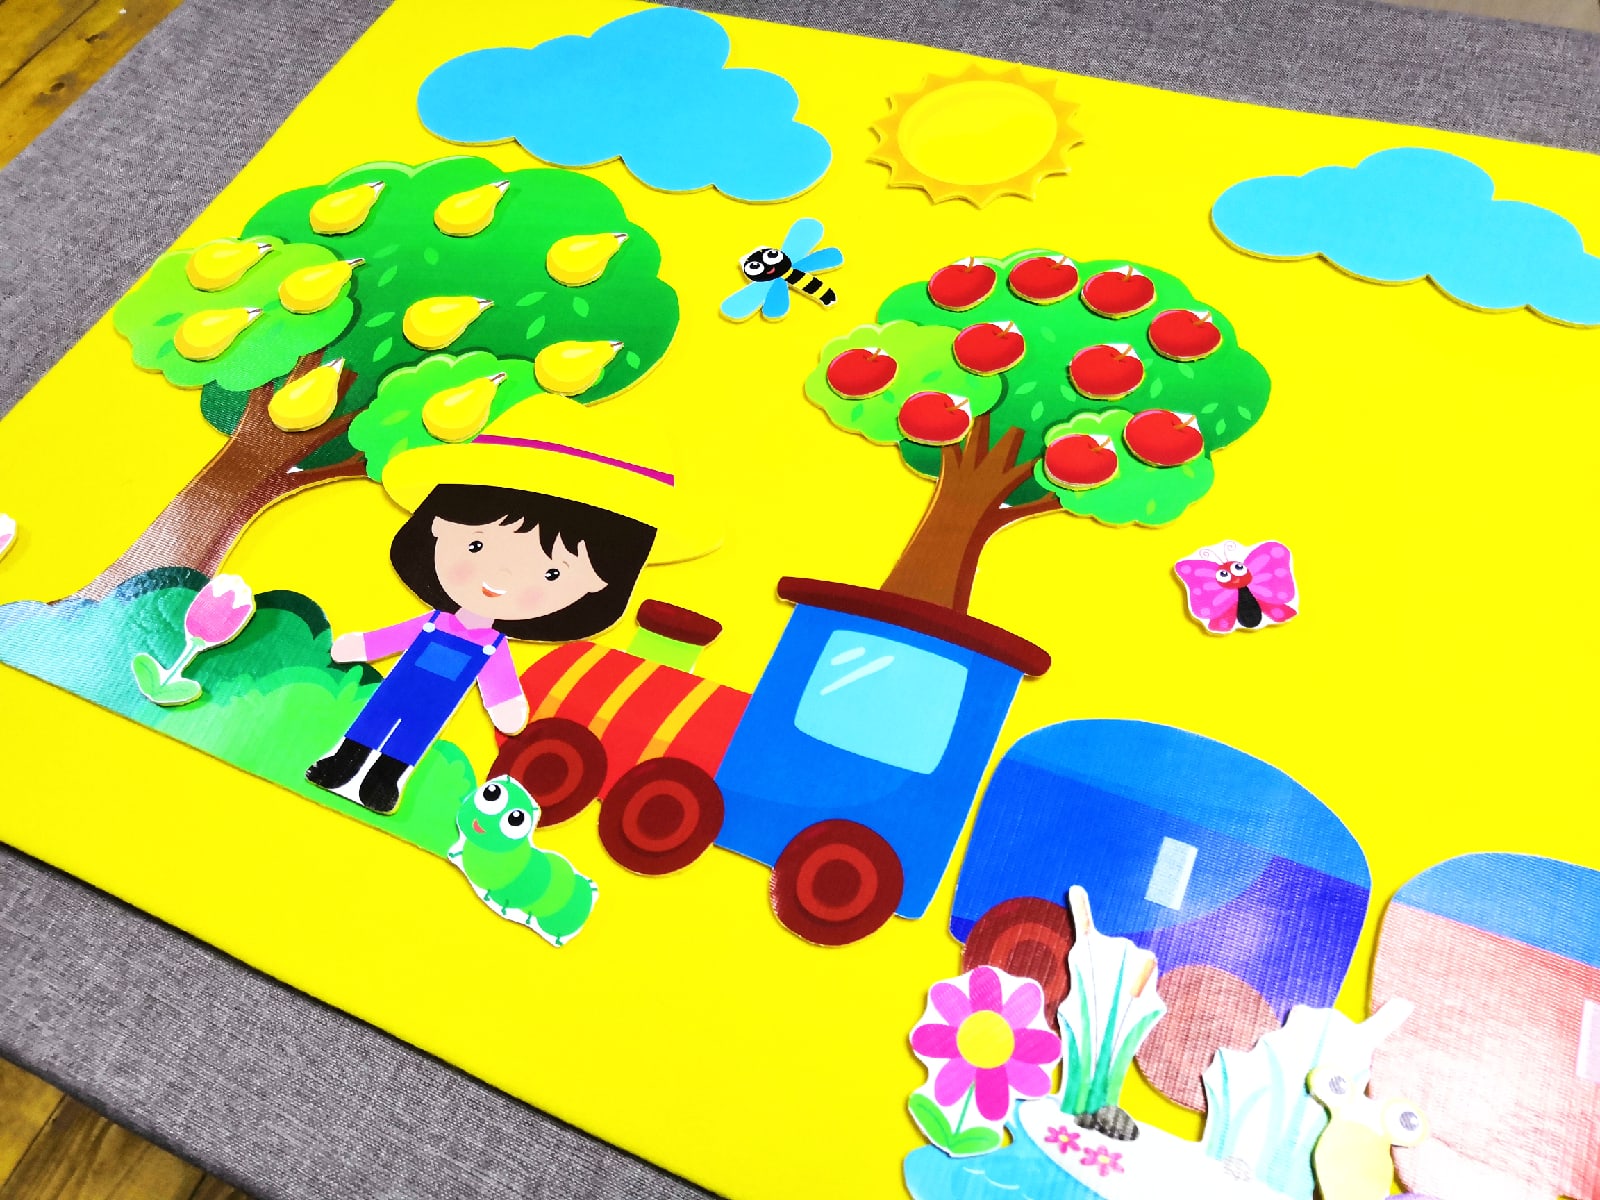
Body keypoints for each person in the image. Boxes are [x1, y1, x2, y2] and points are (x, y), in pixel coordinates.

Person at [307, 392, 714, 813]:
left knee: (414, 735)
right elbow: (393, 637)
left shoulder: (491, 645)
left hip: (439, 700)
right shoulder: (433, 623)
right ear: (442, 525)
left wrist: (505, 705)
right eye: (477, 545)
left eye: (552, 573)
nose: (499, 579)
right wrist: (363, 646)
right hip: (402, 682)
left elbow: (498, 680)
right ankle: (340, 764)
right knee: (376, 716)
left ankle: (382, 782)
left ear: (595, 585)